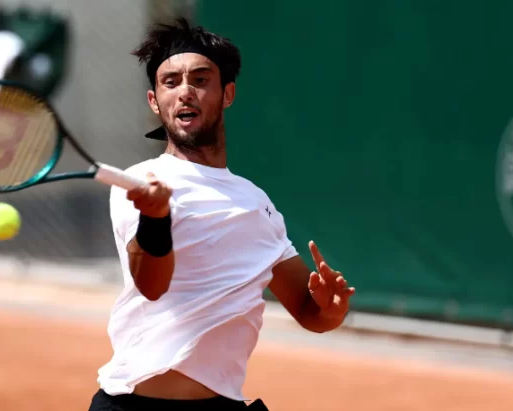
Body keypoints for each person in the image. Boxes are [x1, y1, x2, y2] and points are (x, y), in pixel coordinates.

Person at [87, 17, 355, 411]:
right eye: (170, 82)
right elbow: (152, 285)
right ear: (154, 101)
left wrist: (333, 308)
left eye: (200, 80)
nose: (185, 92)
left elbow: (309, 312)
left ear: (227, 93)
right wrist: (155, 217)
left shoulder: (256, 203)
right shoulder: (141, 182)